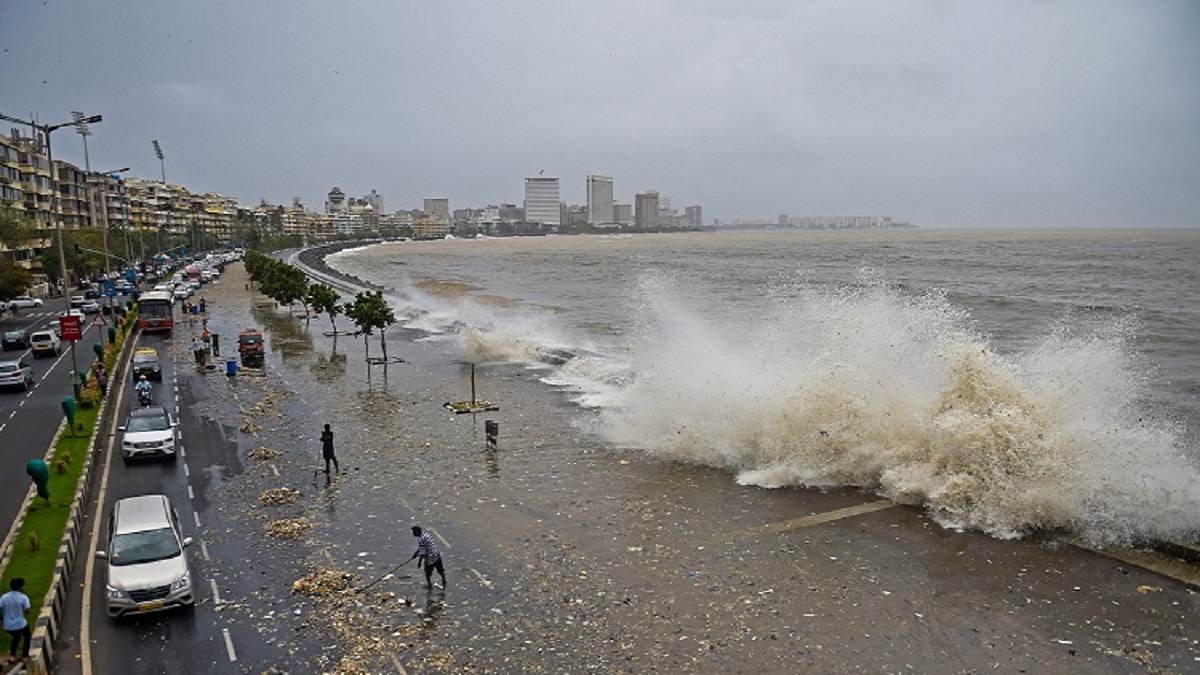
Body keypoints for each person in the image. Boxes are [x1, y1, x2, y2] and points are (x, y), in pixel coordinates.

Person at [0, 578, 31, 664]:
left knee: (16, 638)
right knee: (27, 637)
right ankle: (25, 656)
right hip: (20, 624)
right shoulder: (23, 598)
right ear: (20, 587)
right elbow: (28, 610)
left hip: (8, 626)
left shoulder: (4, 597)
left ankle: (12, 656)